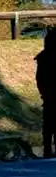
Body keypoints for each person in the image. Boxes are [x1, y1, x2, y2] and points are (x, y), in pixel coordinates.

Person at [35, 28, 56, 158]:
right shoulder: (45, 57)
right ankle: (48, 149)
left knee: (48, 124)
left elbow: (39, 78)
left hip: (48, 94)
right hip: (50, 93)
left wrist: (43, 92)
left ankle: (47, 150)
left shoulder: (43, 56)